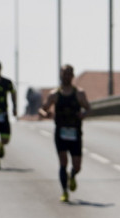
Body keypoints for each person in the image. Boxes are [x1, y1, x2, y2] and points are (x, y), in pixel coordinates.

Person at [38, 64, 91, 202]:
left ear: (72, 76)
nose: (66, 76)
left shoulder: (79, 93)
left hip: (75, 132)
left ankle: (72, 176)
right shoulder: (54, 94)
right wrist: (46, 114)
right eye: (64, 73)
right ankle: (64, 192)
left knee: (77, 165)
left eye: (69, 74)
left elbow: (89, 108)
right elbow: (42, 109)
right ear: (60, 75)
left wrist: (83, 114)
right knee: (63, 162)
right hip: (61, 133)